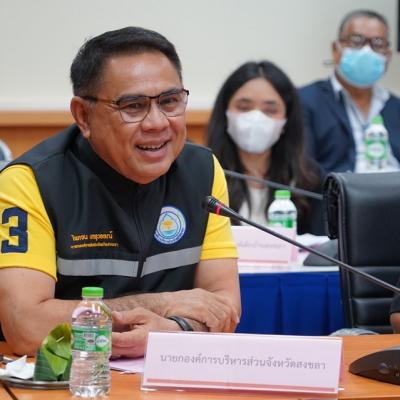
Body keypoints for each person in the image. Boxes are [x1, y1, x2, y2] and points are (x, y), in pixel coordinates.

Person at [0, 27, 241, 357]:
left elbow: (224, 306)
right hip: (71, 375)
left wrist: (172, 330)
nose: (157, 123)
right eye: (133, 106)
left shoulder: (202, 171)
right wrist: (160, 304)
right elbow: (25, 326)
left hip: (164, 372)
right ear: (83, 116)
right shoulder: (31, 182)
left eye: (170, 102)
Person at [207, 61, 324, 236]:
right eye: (244, 108)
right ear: (225, 113)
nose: (257, 118)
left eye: (270, 110)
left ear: (286, 121)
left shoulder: (310, 180)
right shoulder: (204, 175)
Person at [299, 9, 400, 173]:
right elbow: (304, 172)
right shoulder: (306, 101)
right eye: (356, 41)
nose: (367, 50)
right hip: (341, 187)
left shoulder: (396, 106)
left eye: (378, 43)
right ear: (335, 49)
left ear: (388, 55)